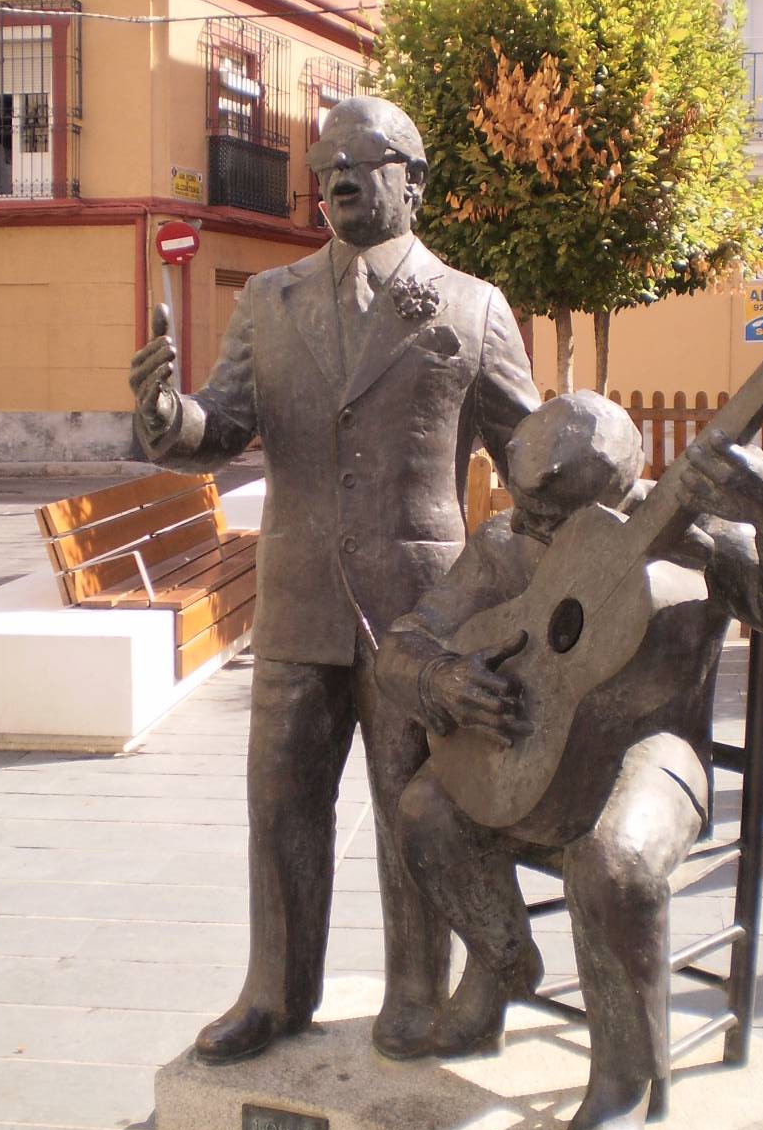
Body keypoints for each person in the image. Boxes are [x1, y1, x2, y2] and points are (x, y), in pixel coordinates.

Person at [128, 96, 540, 1064]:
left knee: (412, 813)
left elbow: (530, 454)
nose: (339, 177)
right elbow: (221, 424)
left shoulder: (474, 307)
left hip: (420, 617)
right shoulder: (268, 301)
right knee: (279, 805)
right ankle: (273, 994)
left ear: (415, 180)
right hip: (298, 603)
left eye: (364, 160)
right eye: (326, 166)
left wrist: (598, 489)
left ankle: (417, 995)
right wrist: (168, 417)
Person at [376, 391, 763, 1130]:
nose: (531, 529)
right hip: (536, 750)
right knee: (424, 808)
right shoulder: (503, 544)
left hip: (654, 758)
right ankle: (502, 962)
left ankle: (623, 1079)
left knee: (613, 862)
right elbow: (405, 643)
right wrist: (444, 680)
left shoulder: (699, 540)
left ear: (618, 495)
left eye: (550, 517)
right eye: (524, 507)